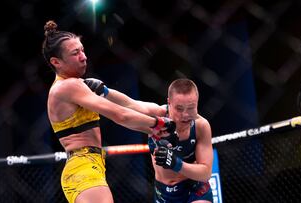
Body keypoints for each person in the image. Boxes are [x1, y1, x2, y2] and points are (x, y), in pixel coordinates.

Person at [41, 20, 174, 203]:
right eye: (75, 53)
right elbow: (119, 114)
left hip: (90, 165)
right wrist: (156, 125)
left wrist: (165, 110)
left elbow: (132, 105)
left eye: (82, 49)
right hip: (83, 168)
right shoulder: (66, 87)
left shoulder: (82, 85)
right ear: (56, 62)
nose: (83, 56)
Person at [87, 78, 213, 203]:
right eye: (179, 109)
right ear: (169, 103)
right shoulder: (158, 115)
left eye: (191, 108)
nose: (185, 114)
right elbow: (130, 104)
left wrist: (176, 163)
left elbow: (205, 173)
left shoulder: (201, 126)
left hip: (195, 188)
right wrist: (105, 91)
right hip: (164, 193)